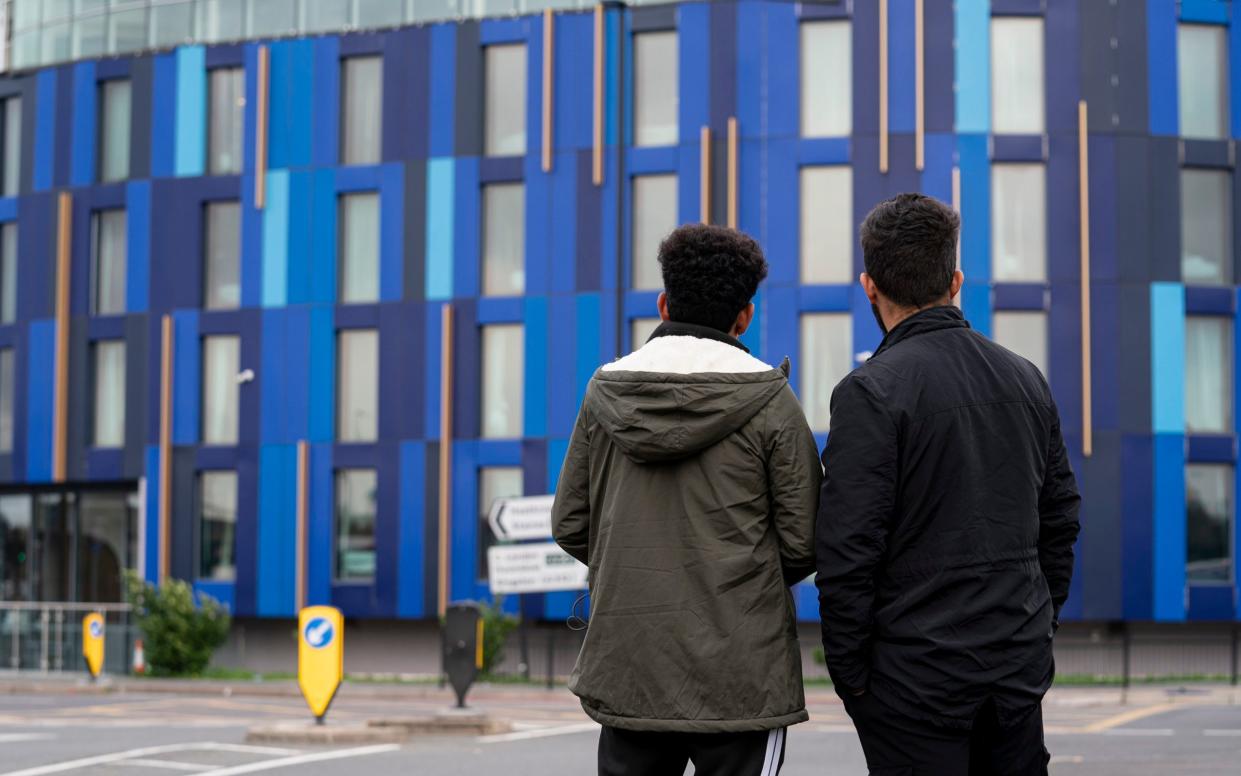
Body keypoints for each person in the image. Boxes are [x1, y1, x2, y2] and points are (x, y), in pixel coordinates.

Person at [815, 193, 1082, 775]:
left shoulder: (869, 392)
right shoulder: (1025, 379)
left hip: (912, 686)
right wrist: (1038, 624)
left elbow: (847, 551)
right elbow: (1060, 520)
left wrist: (853, 678)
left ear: (869, 286)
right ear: (955, 280)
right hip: (1014, 676)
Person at [552, 224, 820, 776]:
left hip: (628, 666)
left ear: (663, 302)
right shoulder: (772, 401)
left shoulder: (604, 392)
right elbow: (804, 540)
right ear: (744, 315)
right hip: (741, 677)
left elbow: (571, 521)